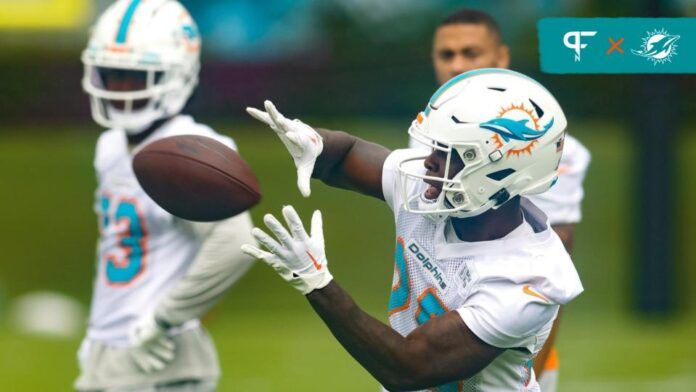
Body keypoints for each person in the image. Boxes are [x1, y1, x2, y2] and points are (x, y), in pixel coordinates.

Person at [244, 68, 583, 391]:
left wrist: (317, 282)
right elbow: (347, 155)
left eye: (449, 153)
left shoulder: (529, 278)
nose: (428, 161)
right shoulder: (435, 189)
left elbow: (407, 368)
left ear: (500, 172)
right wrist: (315, 144)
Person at [75, 1, 254, 391]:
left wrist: (167, 318)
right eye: (113, 74)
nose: (122, 90)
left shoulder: (193, 149)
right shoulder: (109, 146)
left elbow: (234, 241)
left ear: (179, 74)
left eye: (138, 77)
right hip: (111, 349)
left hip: (160, 356)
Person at [414, 9, 591, 389]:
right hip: (435, 336)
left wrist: (533, 368)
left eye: (471, 53)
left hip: (505, 342)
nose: (457, 66)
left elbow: (552, 268)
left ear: (502, 59)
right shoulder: (426, 138)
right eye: (447, 55)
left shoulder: (544, 148)